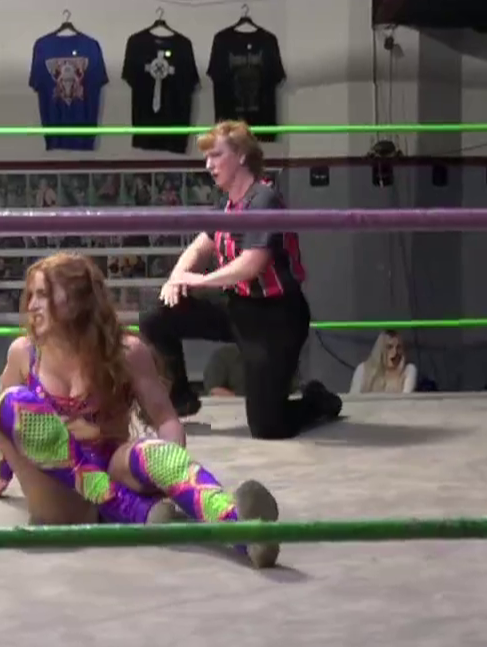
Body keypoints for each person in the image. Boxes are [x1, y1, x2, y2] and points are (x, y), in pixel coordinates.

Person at [0, 252, 283, 569]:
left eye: (42, 295)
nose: (31, 305)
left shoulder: (125, 351)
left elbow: (166, 419)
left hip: (114, 464)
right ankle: (129, 508)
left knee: (157, 454)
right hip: (61, 490)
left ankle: (242, 529)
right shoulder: (24, 353)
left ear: (77, 299)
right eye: (30, 295)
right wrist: (2, 475)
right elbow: (5, 421)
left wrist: (170, 469)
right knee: (13, 400)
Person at [138, 120, 343, 439]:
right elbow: (201, 245)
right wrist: (176, 278)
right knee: (156, 311)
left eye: (216, 155)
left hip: (275, 318)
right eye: (207, 157)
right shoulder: (227, 204)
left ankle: (317, 402)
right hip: (237, 305)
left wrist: (197, 281)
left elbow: (251, 264)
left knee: (268, 426)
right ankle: (179, 397)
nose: (209, 165)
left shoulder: (264, 199)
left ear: (242, 156)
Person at [349, 331, 419, 394]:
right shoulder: (363, 369)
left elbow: (406, 400)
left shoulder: (408, 370)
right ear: (381, 350)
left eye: (398, 347)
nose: (395, 352)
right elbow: (353, 399)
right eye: (389, 347)